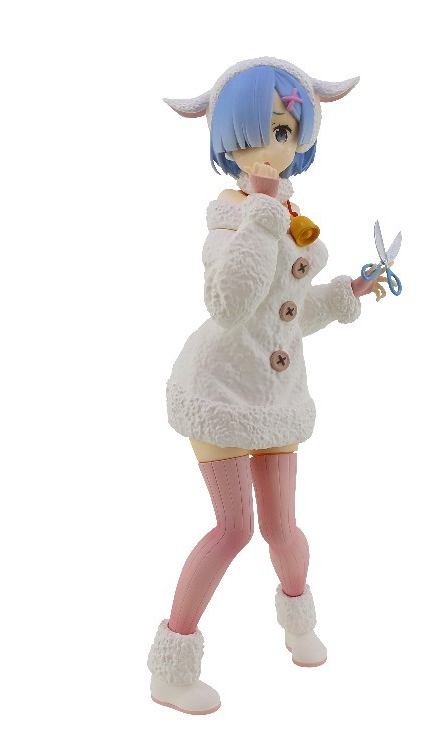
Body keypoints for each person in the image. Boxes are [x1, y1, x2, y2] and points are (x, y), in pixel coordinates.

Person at [147, 57, 389, 715]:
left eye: (285, 131)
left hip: (274, 394)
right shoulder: (231, 220)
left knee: (282, 526)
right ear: (226, 141)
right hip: (220, 392)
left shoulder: (284, 211)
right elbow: (229, 305)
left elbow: (285, 317)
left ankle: (298, 621)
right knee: (234, 529)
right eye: (258, 132)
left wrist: (344, 293)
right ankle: (172, 666)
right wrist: (259, 217)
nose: (272, 148)